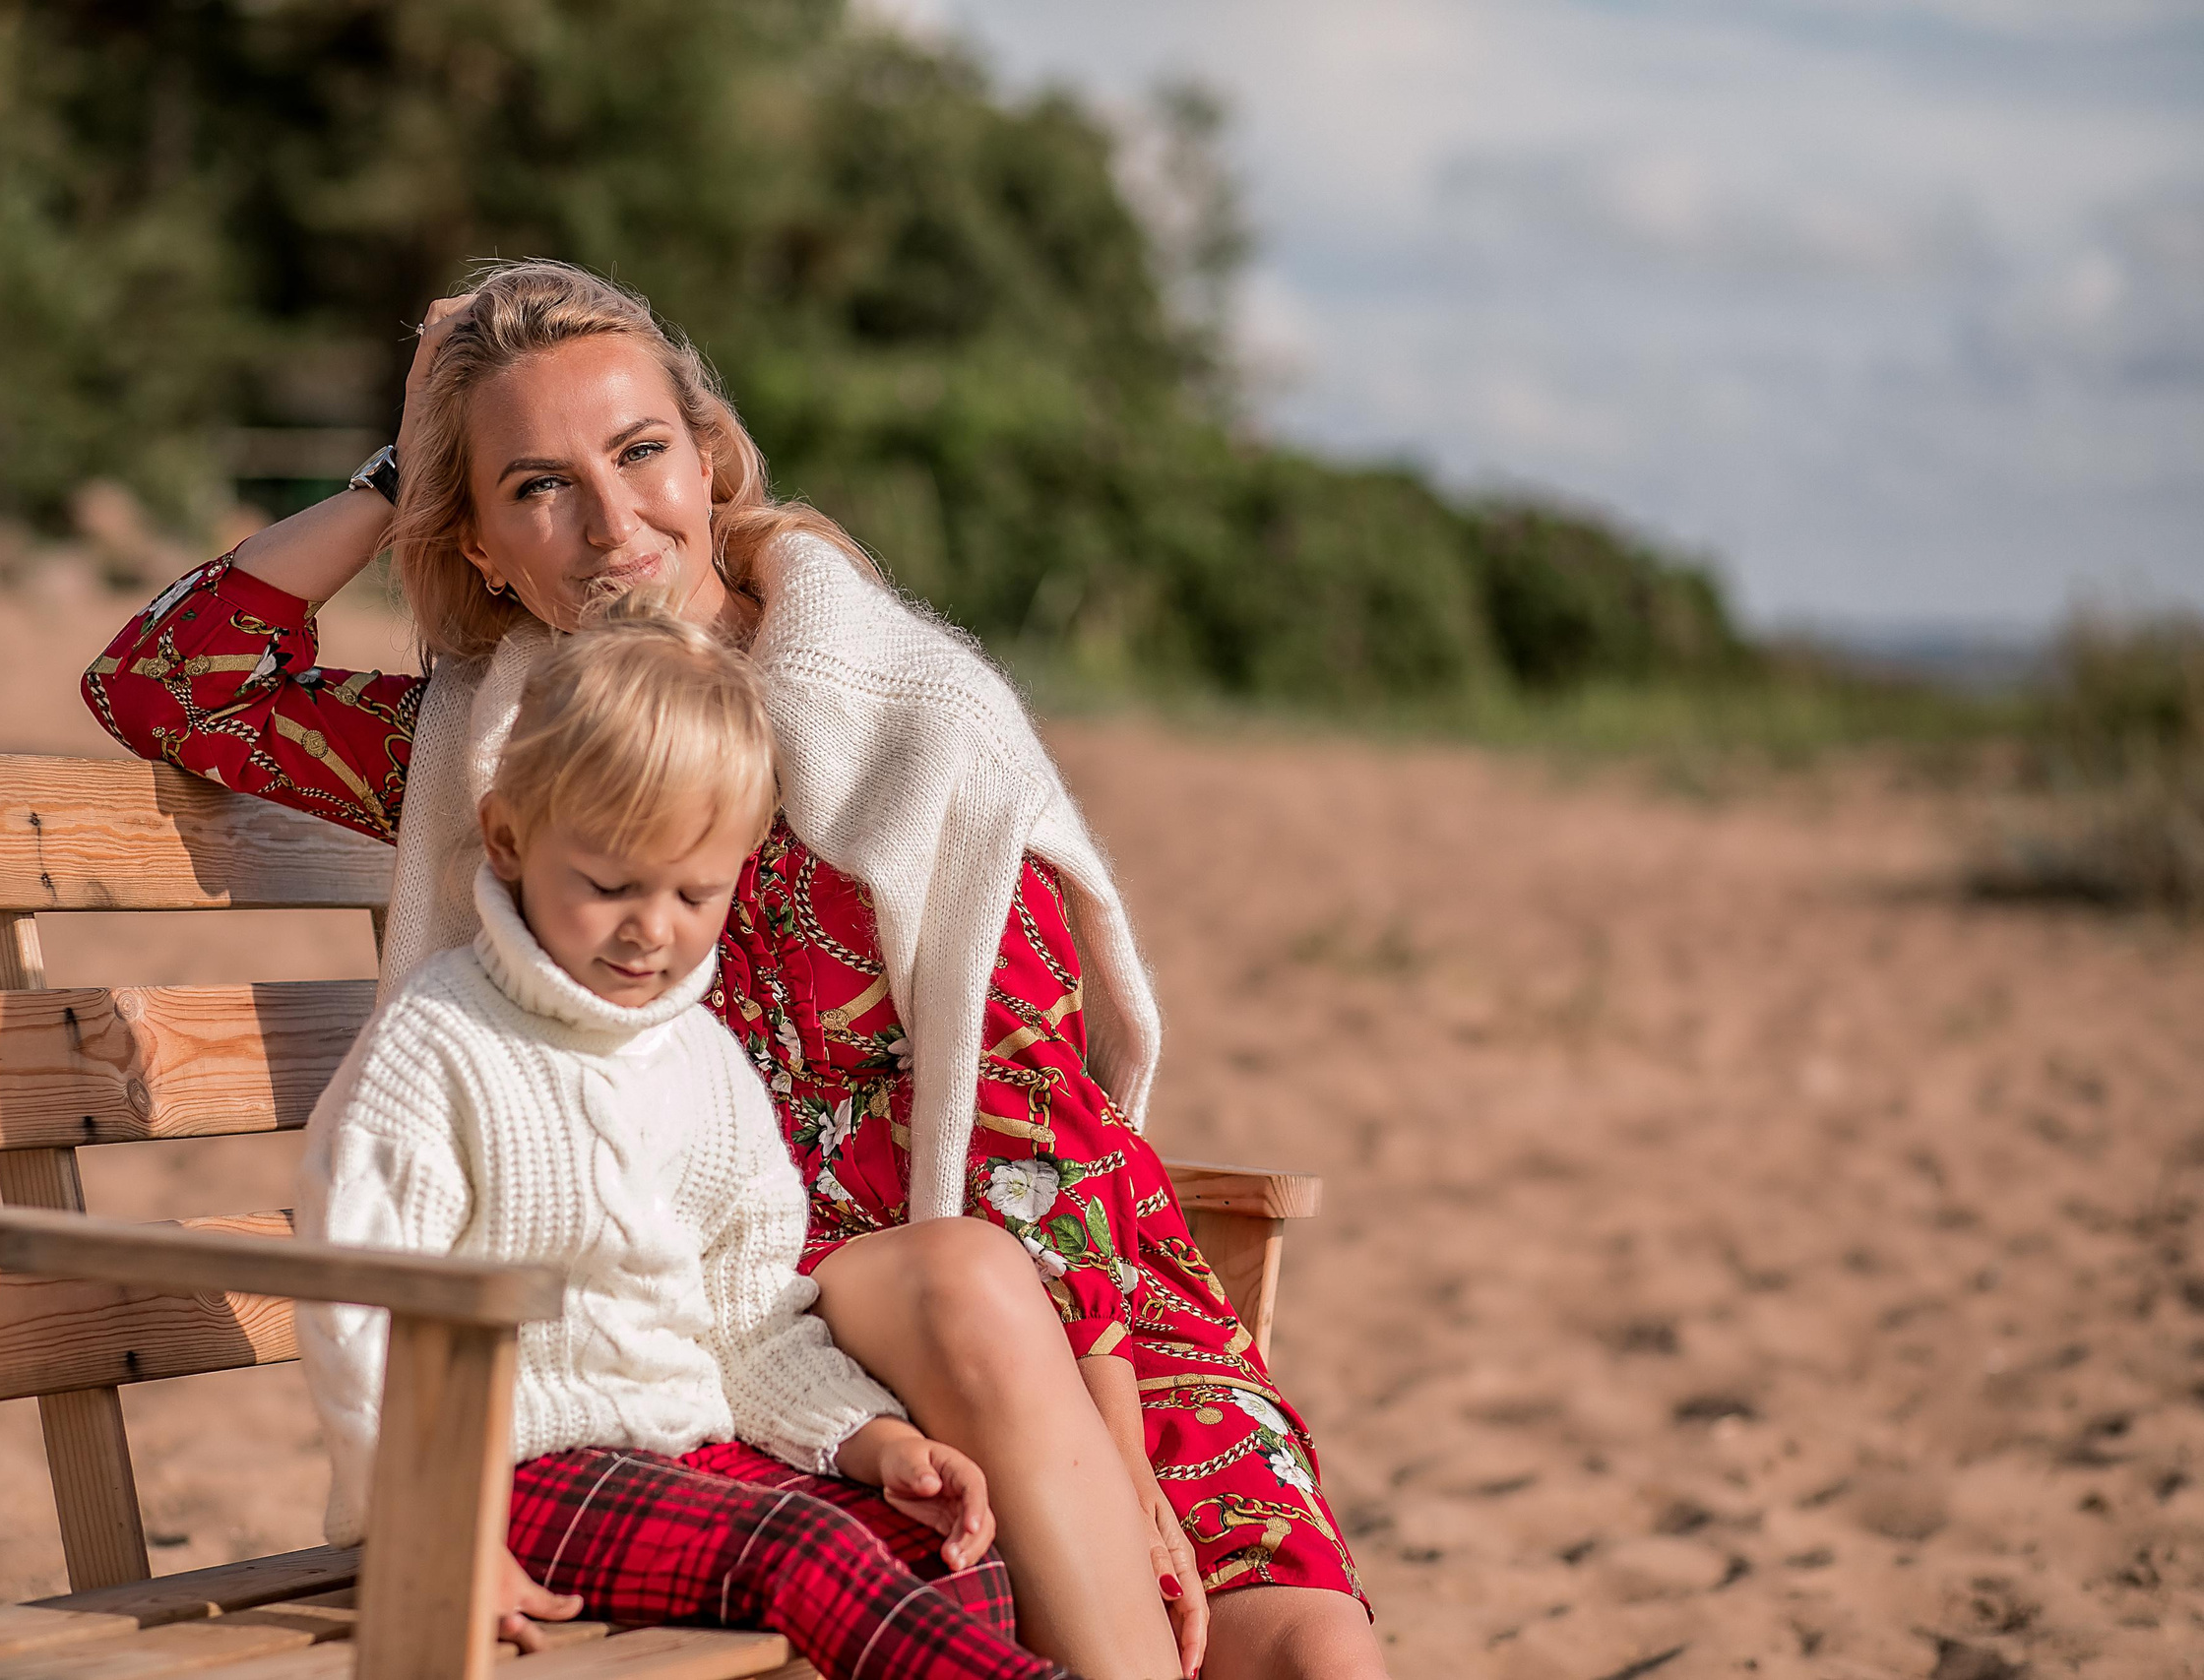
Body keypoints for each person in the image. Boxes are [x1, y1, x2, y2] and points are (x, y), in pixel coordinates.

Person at [84, 258, 1386, 1680]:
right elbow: (168, 679)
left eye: (641, 451)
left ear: (707, 462)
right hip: (760, 1315)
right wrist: (400, 473)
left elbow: (1034, 1107)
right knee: (964, 1295)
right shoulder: (501, 754)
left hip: (1078, 1311)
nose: (610, 520)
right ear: (479, 547)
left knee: (1312, 1650)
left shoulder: (914, 716)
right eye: (536, 486)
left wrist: (1117, 1447)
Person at [296, 592, 1050, 1679]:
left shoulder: (702, 1064)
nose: (652, 927)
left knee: (940, 1557)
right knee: (806, 1553)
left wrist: (873, 1440)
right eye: (609, 885)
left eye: (696, 893)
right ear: (508, 839)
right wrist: (438, 1524)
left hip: (687, 1457)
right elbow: (357, 1308)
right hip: (503, 1476)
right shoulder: (440, 1043)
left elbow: (750, 1322)